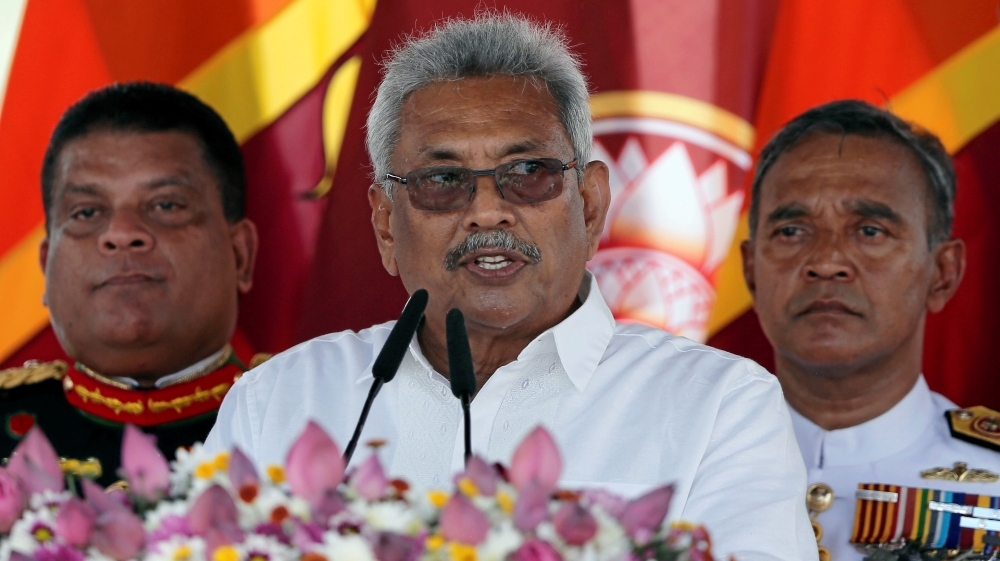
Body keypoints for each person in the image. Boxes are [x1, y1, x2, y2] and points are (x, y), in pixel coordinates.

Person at [207, 14, 817, 561]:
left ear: (591, 203)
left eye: (528, 172)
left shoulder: (719, 406)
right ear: (387, 226)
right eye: (443, 179)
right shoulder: (278, 402)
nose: (487, 211)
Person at [741, 99, 1000, 561]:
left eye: (870, 231)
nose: (825, 262)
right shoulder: (669, 464)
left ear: (942, 273)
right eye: (792, 230)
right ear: (751, 272)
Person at [0, 82, 265, 486]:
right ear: (45, 268)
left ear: (240, 256)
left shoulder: (329, 418)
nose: (122, 233)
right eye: (87, 212)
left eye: (166, 205)